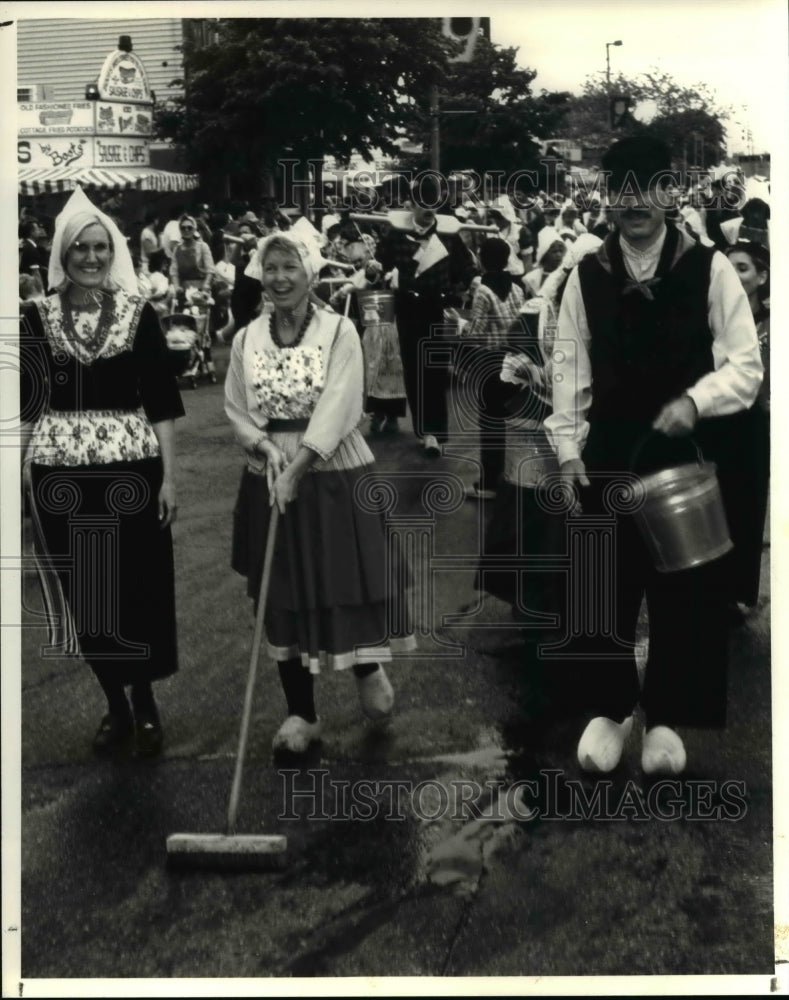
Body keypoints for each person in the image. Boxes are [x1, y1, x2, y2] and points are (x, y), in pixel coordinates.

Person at [546, 136, 763, 776]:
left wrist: (696, 402)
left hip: (684, 449)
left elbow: (746, 365)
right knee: (602, 584)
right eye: (622, 189)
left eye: (648, 186)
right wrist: (566, 451)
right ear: (607, 197)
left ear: (670, 191)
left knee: (686, 589)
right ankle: (611, 710)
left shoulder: (711, 267)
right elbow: (568, 366)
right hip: (610, 447)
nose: (634, 202)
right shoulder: (586, 272)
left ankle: (666, 715)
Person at [224, 232, 415, 754]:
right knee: (281, 586)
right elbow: (237, 406)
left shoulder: (339, 330)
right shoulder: (246, 339)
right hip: (269, 466)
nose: (280, 278)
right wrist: (264, 450)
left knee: (342, 575)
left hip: (330, 465)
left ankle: (366, 666)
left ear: (311, 274)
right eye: (271, 268)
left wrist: (301, 463)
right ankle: (302, 713)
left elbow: (340, 403)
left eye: (290, 267)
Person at [19, 187, 184, 756]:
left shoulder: (139, 315)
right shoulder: (35, 318)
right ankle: (114, 701)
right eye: (78, 249)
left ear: (113, 252)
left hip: (132, 471)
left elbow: (162, 400)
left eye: (99, 247)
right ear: (61, 255)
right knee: (89, 597)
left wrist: (171, 476)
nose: (90, 257)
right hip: (59, 475)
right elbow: (23, 402)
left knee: (135, 589)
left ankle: (144, 702)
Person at [376, 180, 476, 456]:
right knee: (413, 370)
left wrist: (470, 282)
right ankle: (423, 430)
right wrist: (378, 270)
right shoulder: (395, 235)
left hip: (437, 309)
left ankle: (435, 433)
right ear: (412, 204)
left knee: (435, 369)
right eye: (423, 202)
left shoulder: (448, 235)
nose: (429, 208)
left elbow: (465, 267)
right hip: (407, 309)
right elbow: (378, 264)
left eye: (434, 202)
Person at [722, 239, 770, 613]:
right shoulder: (711, 318)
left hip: (756, 426)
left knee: (747, 508)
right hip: (714, 423)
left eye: (743, 268)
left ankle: (738, 592)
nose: (734, 276)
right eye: (728, 268)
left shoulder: (773, 324)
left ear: (762, 276)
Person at [458, 236, 526, 500]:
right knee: (512, 421)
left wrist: (459, 328)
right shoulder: (518, 289)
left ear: (482, 260)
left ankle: (489, 483)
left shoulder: (483, 291)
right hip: (515, 361)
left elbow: (475, 332)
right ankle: (512, 477)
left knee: (491, 424)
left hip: (490, 362)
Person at [523, 227, 567, 298]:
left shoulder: (564, 275)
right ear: (544, 255)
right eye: (554, 251)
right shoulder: (532, 278)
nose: (559, 255)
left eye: (561, 251)